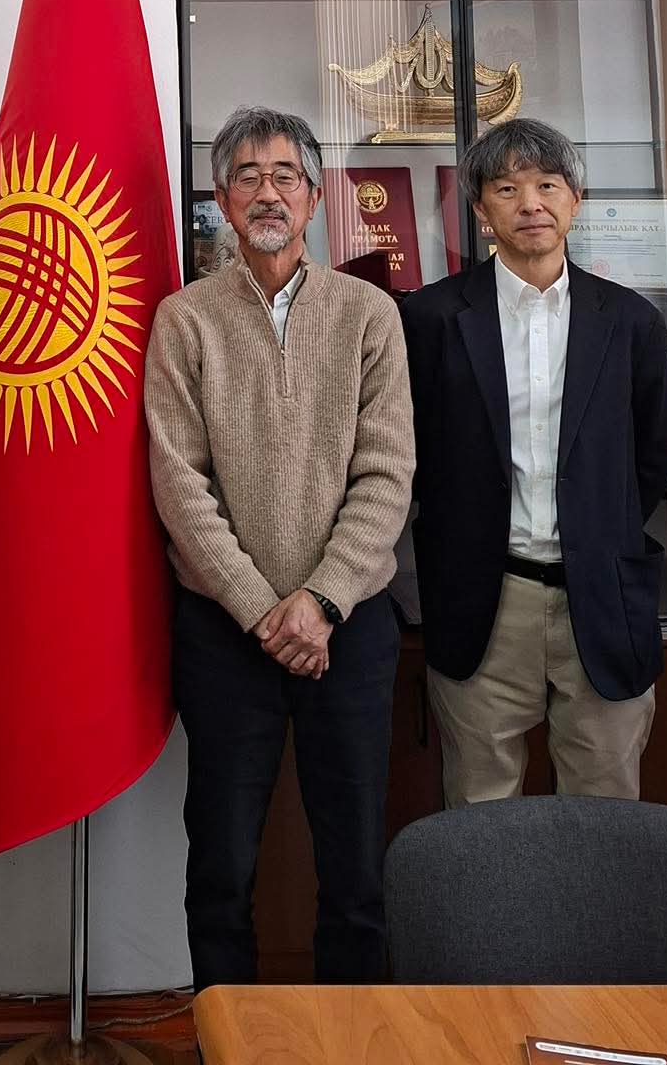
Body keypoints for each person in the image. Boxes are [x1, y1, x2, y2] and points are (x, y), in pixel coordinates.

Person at [144, 106, 414, 986]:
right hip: (227, 635)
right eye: (247, 177)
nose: (268, 192)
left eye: (285, 175)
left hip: (350, 629)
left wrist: (322, 601)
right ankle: (228, 1036)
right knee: (221, 868)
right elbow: (179, 483)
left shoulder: (370, 314)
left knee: (356, 869)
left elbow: (387, 474)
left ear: (314, 197)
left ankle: (351, 1037)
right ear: (222, 200)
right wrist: (266, 611)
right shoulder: (184, 320)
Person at [401, 117, 667, 805]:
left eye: (548, 185)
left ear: (575, 201)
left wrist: (596, 535)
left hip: (601, 596)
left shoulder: (632, 322)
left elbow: (650, 460)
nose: (530, 203)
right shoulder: (431, 319)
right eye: (507, 188)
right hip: (484, 597)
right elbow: (412, 455)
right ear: (480, 210)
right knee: (480, 811)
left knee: (605, 804)